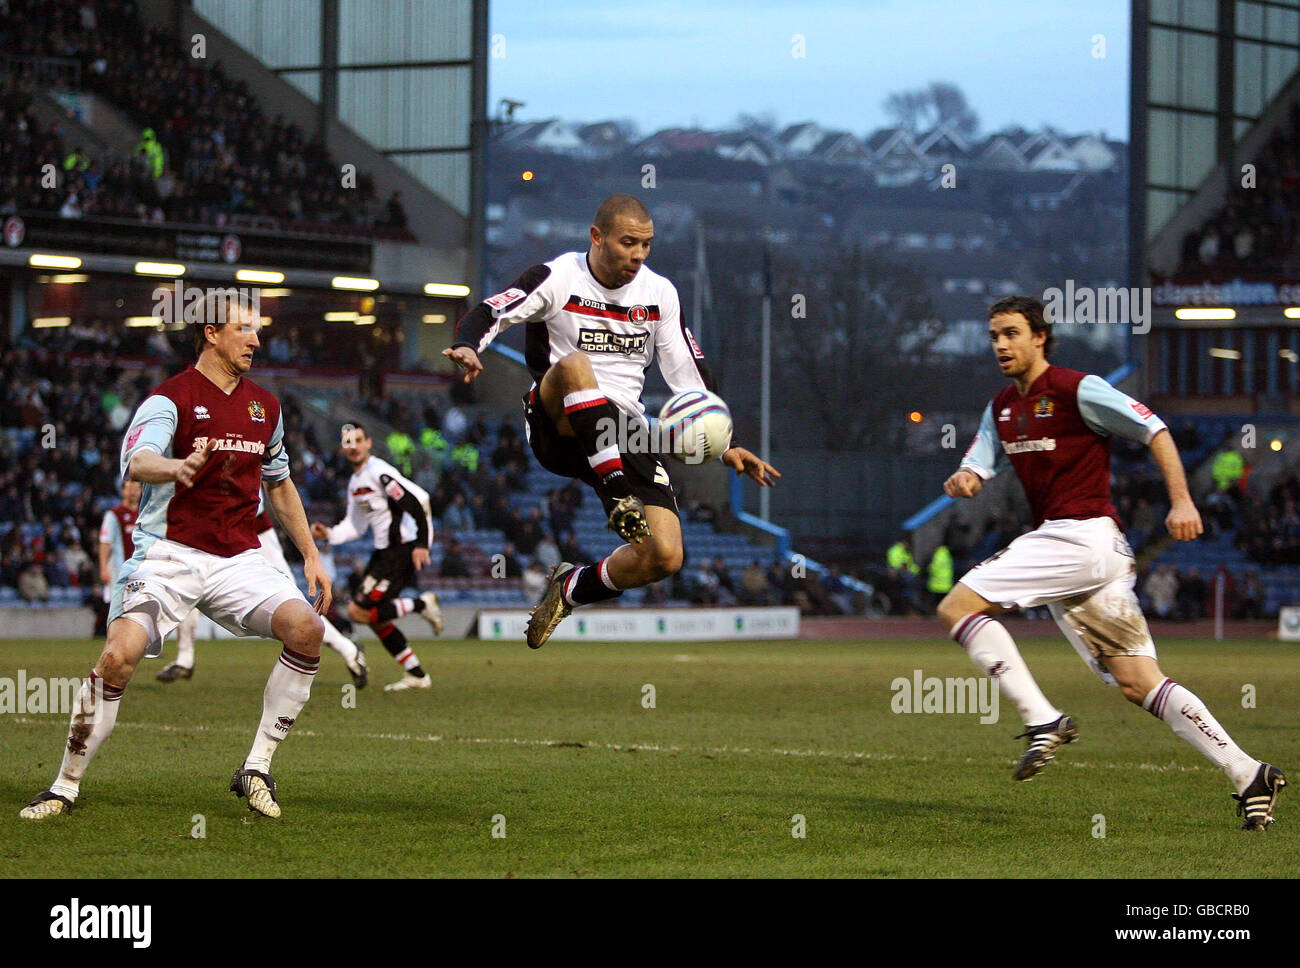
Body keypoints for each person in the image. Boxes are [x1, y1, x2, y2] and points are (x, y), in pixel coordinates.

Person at [940, 294, 1284, 830]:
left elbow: (1156, 430)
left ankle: (1042, 720)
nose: (1001, 345)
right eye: (994, 336)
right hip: (1084, 556)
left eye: (1011, 333)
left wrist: (1183, 500)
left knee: (958, 606)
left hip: (1081, 538)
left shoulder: (1079, 388)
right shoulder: (1002, 407)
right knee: (1138, 681)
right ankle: (1248, 772)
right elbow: (977, 464)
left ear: (1040, 337)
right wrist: (966, 479)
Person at [21, 293, 332, 821]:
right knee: (117, 657)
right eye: (244, 329)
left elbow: (279, 485)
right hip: (169, 555)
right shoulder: (170, 399)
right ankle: (63, 786)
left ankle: (256, 767)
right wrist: (176, 467)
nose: (256, 340)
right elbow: (137, 462)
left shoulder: (266, 406)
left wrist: (310, 554)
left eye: (257, 331)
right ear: (210, 332)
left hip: (239, 559)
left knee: (306, 628)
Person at [444, 194, 779, 648]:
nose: (638, 255)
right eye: (628, 243)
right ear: (597, 237)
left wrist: (726, 442)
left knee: (665, 555)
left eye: (646, 245)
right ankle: (618, 495)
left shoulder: (659, 294)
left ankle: (571, 588)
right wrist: (468, 344)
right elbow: (493, 310)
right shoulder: (559, 276)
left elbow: (689, 377)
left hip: (623, 430)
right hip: (557, 423)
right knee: (575, 365)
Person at [153, 490, 369, 688]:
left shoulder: (246, 448)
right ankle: (185, 659)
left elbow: (272, 482)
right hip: (211, 528)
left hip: (253, 530)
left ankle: (348, 649)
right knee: (191, 585)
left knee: (293, 603)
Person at [311, 424, 442, 691]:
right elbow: (355, 527)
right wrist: (330, 534)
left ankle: (420, 604)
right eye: (349, 442)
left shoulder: (380, 473)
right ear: (342, 448)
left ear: (369, 443)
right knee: (373, 617)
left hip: (401, 550)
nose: (354, 446)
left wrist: (422, 544)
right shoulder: (356, 483)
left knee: (358, 611)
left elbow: (420, 500)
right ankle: (416, 674)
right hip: (384, 553)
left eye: (359, 440)